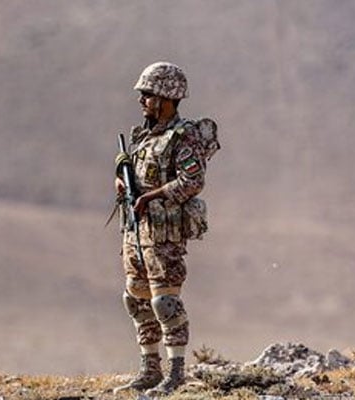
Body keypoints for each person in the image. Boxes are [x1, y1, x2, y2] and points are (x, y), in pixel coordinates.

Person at [114, 61, 208, 396]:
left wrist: (151, 196)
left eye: (148, 95)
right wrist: (123, 185)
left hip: (165, 236)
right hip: (138, 233)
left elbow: (192, 181)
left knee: (165, 304)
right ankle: (150, 369)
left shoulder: (182, 138)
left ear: (167, 98)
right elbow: (137, 178)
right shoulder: (143, 138)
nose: (142, 101)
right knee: (136, 300)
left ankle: (177, 373)